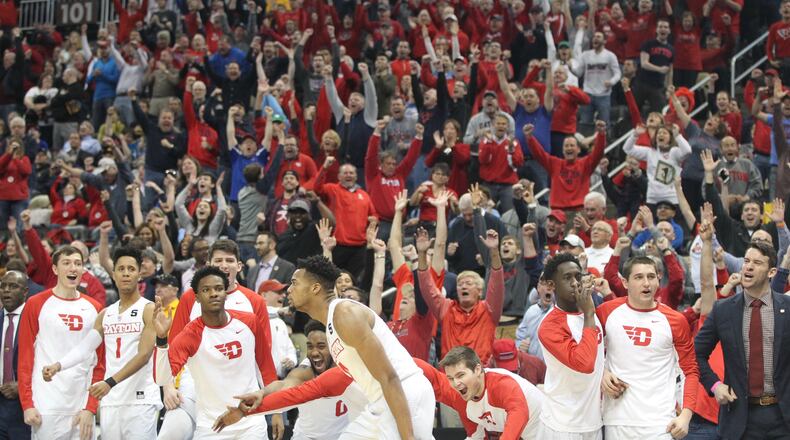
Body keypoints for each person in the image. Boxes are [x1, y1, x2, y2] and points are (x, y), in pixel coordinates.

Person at [283, 255, 435, 439]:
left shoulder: (345, 314)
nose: (289, 290)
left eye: (294, 283)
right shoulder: (332, 324)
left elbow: (389, 377)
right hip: (381, 401)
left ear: (315, 288)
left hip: (403, 392)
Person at [40, 246, 161, 439]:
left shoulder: (148, 309)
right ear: (113, 274)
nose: (126, 274)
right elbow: (84, 348)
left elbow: (144, 355)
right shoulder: (106, 313)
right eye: (121, 269)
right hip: (111, 401)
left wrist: (109, 382)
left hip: (140, 399)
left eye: (131, 269)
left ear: (139, 274)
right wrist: (58, 365)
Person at [161, 239, 277, 439]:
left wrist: (275, 408)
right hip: (195, 387)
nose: (224, 265)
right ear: (208, 265)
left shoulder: (254, 303)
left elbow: (264, 358)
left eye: (229, 260)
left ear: (239, 266)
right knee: (170, 433)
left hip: (243, 396)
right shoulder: (190, 298)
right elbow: (173, 347)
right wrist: (168, 387)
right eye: (218, 261)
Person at [597, 256, 699, 439]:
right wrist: (602, 373)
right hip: (617, 420)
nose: (646, 283)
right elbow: (589, 354)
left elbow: (690, 371)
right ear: (624, 282)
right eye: (638, 277)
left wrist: (686, 414)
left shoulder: (676, 320)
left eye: (651, 277)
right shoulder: (606, 312)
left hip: (660, 423)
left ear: (659, 279)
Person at [695, 242, 790, 438]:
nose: (748, 266)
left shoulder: (787, 308)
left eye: (757, 262)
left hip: (783, 416)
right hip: (740, 417)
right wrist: (714, 385)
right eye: (746, 261)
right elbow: (695, 353)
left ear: (772, 272)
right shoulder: (723, 310)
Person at [17, 246, 105, 440]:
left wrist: (90, 407)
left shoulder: (95, 308)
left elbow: (100, 363)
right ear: (55, 269)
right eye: (66, 263)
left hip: (80, 406)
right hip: (46, 405)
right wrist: (27, 404)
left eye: (78, 264)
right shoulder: (36, 304)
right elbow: (25, 357)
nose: (73, 268)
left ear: (83, 269)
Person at [537, 253, 604, 438]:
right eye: (567, 278)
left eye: (577, 276)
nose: (575, 283)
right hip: (562, 425)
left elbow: (600, 357)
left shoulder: (591, 313)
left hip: (593, 421)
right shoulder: (549, 326)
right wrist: (589, 314)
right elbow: (585, 363)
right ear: (551, 285)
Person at [418, 227, 505, 363]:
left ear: (480, 291)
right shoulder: (446, 308)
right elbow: (426, 287)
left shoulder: (489, 310)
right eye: (460, 284)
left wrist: (494, 251)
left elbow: (497, 284)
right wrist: (422, 254)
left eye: (469, 283)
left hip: (481, 376)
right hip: (450, 378)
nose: (463, 286)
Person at [440, 345, 544, 439]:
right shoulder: (463, 393)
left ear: (477, 370)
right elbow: (433, 378)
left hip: (547, 430)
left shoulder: (501, 384)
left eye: (460, 375)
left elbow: (519, 412)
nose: (456, 383)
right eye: (450, 378)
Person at [0, 270, 30, 439]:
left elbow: (46, 361)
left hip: (25, 405)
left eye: (13, 286)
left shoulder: (36, 320)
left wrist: (22, 385)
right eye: (3, 286)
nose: (6, 290)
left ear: (25, 291)